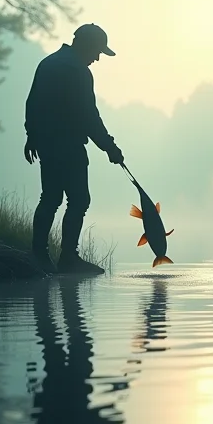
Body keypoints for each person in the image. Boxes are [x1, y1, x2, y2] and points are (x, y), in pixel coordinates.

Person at [24, 23, 124, 274]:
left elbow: (32, 102)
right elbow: (88, 115)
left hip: (47, 144)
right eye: (97, 51)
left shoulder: (48, 63)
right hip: (69, 145)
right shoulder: (78, 71)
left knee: (49, 198)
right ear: (86, 45)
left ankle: (39, 256)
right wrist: (109, 147)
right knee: (79, 199)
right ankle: (68, 258)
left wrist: (32, 136)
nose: (97, 58)